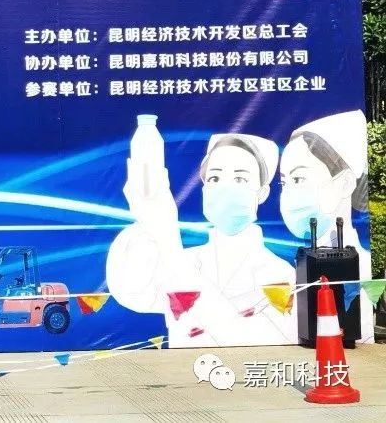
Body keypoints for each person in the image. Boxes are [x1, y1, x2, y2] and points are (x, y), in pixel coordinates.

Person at [106, 117, 296, 346]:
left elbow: (246, 340)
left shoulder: (279, 273)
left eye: (240, 178)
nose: (225, 187)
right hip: (184, 370)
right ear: (204, 189)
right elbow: (132, 292)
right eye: (214, 178)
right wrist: (148, 221)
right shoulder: (185, 259)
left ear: (262, 193)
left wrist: (168, 238)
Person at [279, 111, 374, 343]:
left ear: (345, 183)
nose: (288, 193)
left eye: (298, 179)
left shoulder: (360, 264)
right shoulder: (282, 269)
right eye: (284, 182)